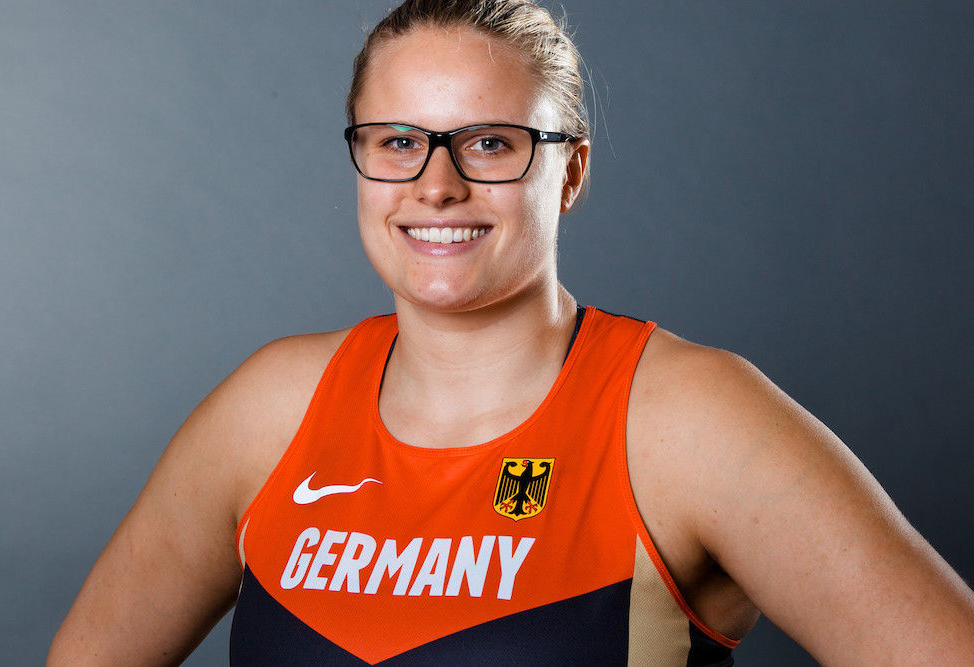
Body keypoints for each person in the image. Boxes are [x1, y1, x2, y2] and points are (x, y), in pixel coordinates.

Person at [48, 0, 974, 664]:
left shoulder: (688, 420)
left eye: (490, 142)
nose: (436, 184)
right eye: (397, 140)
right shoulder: (269, 409)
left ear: (569, 172)